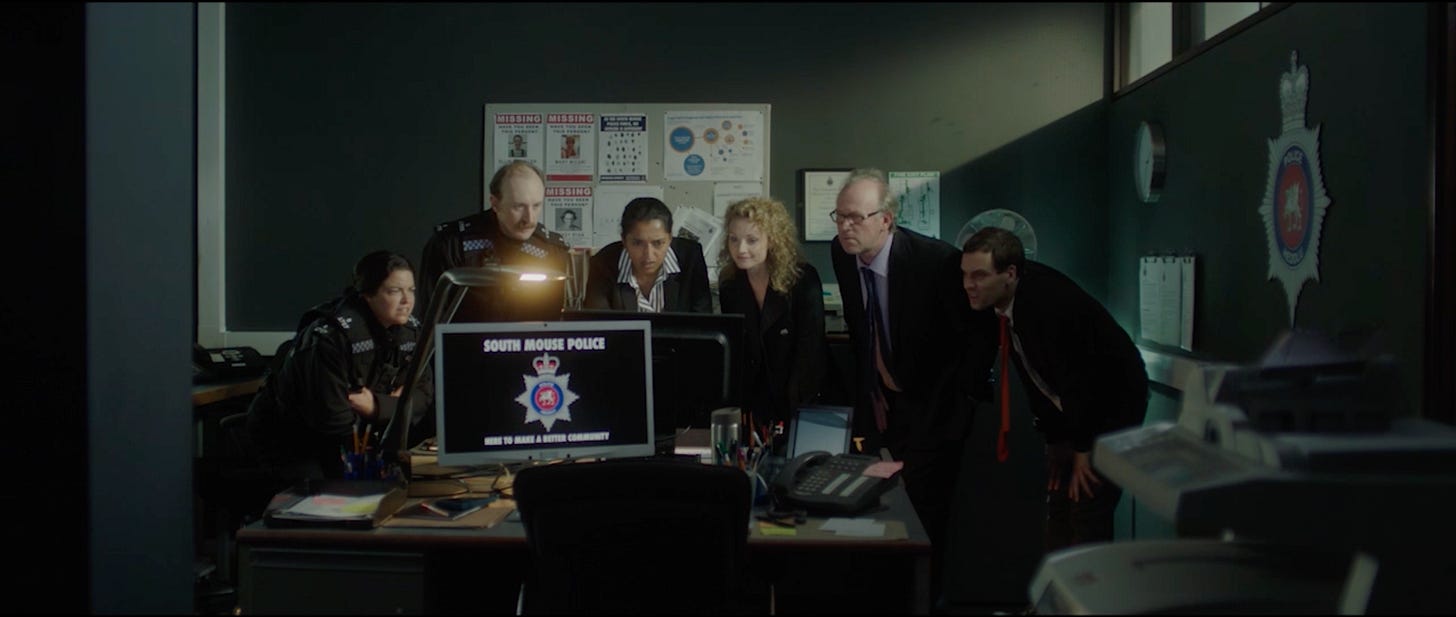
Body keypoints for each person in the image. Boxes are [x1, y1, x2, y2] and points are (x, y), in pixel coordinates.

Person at [830, 168, 997, 604]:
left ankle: (923, 603)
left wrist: (960, 401)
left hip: (935, 405)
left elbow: (978, 335)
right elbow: (861, 325)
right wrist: (872, 387)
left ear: (886, 220)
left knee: (923, 518)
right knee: (871, 506)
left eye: (855, 217)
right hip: (880, 403)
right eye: (839, 216)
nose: (845, 227)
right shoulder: (842, 254)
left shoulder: (935, 263)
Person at [959, 226, 1148, 551]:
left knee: (1087, 504)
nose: (968, 284)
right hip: (1076, 415)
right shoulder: (1009, 302)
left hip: (1110, 411)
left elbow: (1080, 379)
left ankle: (1087, 584)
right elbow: (1037, 378)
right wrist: (1056, 439)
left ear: (1010, 274)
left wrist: (1083, 449)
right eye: (965, 274)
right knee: (1060, 503)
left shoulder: (1047, 305)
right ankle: (1057, 584)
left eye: (979, 275)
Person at [246, 250, 434, 483]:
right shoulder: (331, 337)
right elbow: (332, 417)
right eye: (394, 291)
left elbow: (423, 397)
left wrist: (376, 406)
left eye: (411, 290)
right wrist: (397, 404)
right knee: (331, 496)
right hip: (295, 441)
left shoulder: (411, 332)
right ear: (368, 294)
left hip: (359, 438)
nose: (407, 301)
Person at [717, 196, 828, 440]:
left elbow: (810, 353)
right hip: (757, 405)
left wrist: (796, 411)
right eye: (734, 239)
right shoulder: (730, 284)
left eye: (752, 240)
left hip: (804, 398)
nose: (740, 249)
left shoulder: (802, 279)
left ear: (773, 240)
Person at [418, 161, 570, 322]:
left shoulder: (551, 250)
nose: (529, 219)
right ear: (495, 204)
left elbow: (557, 322)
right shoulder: (451, 244)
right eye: (519, 207)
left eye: (536, 206)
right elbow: (432, 321)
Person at [583, 196, 712, 313]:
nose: (648, 255)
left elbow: (703, 323)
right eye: (637, 243)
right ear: (624, 241)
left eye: (658, 243)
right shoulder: (602, 264)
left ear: (670, 239)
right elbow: (599, 325)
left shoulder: (691, 259)